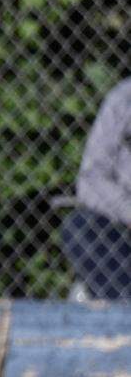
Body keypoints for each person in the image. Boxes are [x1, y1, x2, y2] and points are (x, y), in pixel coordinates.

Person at [62, 78, 131, 299]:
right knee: (79, 228)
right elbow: (90, 180)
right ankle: (121, 312)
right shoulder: (123, 100)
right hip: (124, 228)